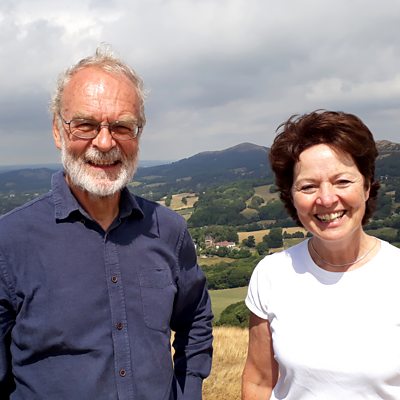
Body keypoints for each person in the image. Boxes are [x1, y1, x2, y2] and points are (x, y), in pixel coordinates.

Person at [0, 46, 213, 400]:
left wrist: (188, 391)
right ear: (58, 131)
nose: (104, 142)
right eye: (85, 125)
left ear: (138, 134)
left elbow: (195, 321)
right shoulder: (10, 241)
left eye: (121, 126)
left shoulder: (169, 231)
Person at [242, 110, 400, 399]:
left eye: (342, 182)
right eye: (308, 186)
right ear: (291, 196)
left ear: (366, 186)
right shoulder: (271, 274)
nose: (326, 199)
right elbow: (259, 381)